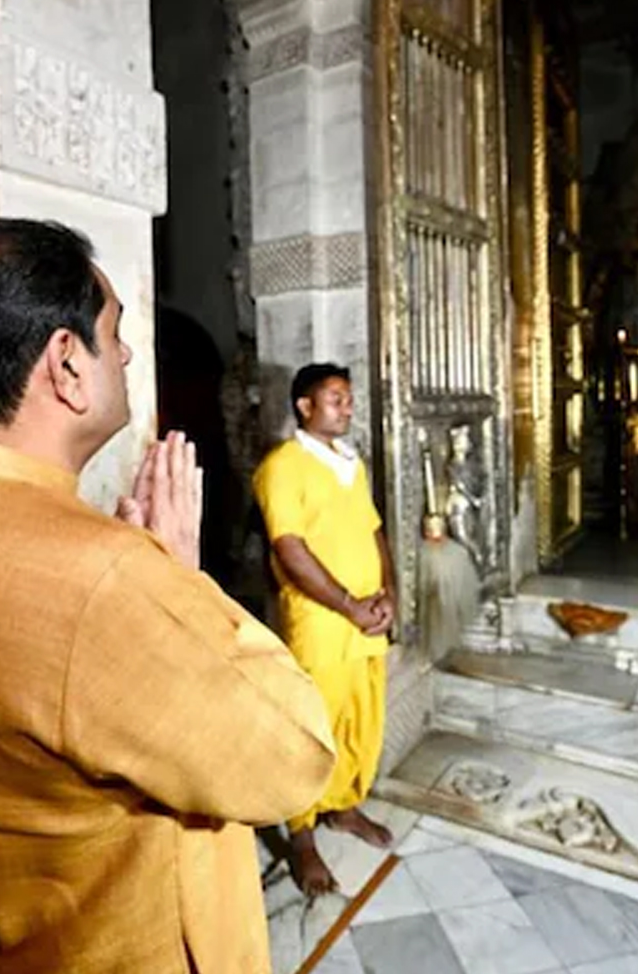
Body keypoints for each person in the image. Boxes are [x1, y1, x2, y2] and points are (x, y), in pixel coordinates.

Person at [0, 218, 336, 972]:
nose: (128, 353)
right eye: (113, 331)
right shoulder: (102, 576)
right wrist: (179, 580)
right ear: (66, 365)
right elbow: (298, 758)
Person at [254, 363, 400, 897]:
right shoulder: (282, 467)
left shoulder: (350, 464)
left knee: (361, 720)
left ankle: (342, 808)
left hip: (367, 621)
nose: (347, 407)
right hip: (320, 625)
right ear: (304, 406)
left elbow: (374, 530)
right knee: (311, 729)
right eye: (336, 398)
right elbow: (289, 549)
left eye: (349, 398)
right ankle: (301, 836)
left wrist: (389, 594)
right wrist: (347, 605)